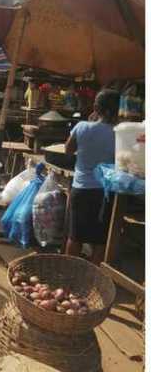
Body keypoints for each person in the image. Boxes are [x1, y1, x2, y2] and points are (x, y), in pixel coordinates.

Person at [65, 89, 121, 264]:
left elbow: (68, 150)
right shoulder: (119, 133)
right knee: (99, 240)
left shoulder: (82, 127)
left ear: (96, 107)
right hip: (105, 193)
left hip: (81, 190)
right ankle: (94, 280)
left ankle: (68, 274)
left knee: (75, 237)